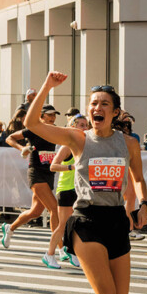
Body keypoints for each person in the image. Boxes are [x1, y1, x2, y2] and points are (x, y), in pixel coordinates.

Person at [32, 75, 147, 294]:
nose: (97, 107)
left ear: (115, 112)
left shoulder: (129, 143)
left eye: (104, 104)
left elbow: (138, 178)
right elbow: (32, 123)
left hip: (116, 220)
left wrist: (143, 203)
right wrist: (47, 87)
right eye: (93, 103)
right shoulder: (78, 138)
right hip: (86, 220)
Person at [2, 104, 61, 251]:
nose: (53, 117)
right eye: (50, 114)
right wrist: (22, 148)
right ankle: (60, 248)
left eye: (54, 115)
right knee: (54, 209)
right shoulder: (34, 129)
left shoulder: (56, 130)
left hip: (49, 173)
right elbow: (9, 138)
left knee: (35, 212)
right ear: (41, 116)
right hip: (36, 173)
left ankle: (10, 228)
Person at [46, 114, 89, 269]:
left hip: (80, 189)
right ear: (73, 127)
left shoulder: (85, 145)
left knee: (78, 223)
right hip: (66, 189)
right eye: (82, 125)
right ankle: (49, 254)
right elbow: (53, 166)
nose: (85, 128)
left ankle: (71, 251)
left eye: (86, 125)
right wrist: (71, 167)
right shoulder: (67, 146)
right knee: (63, 224)